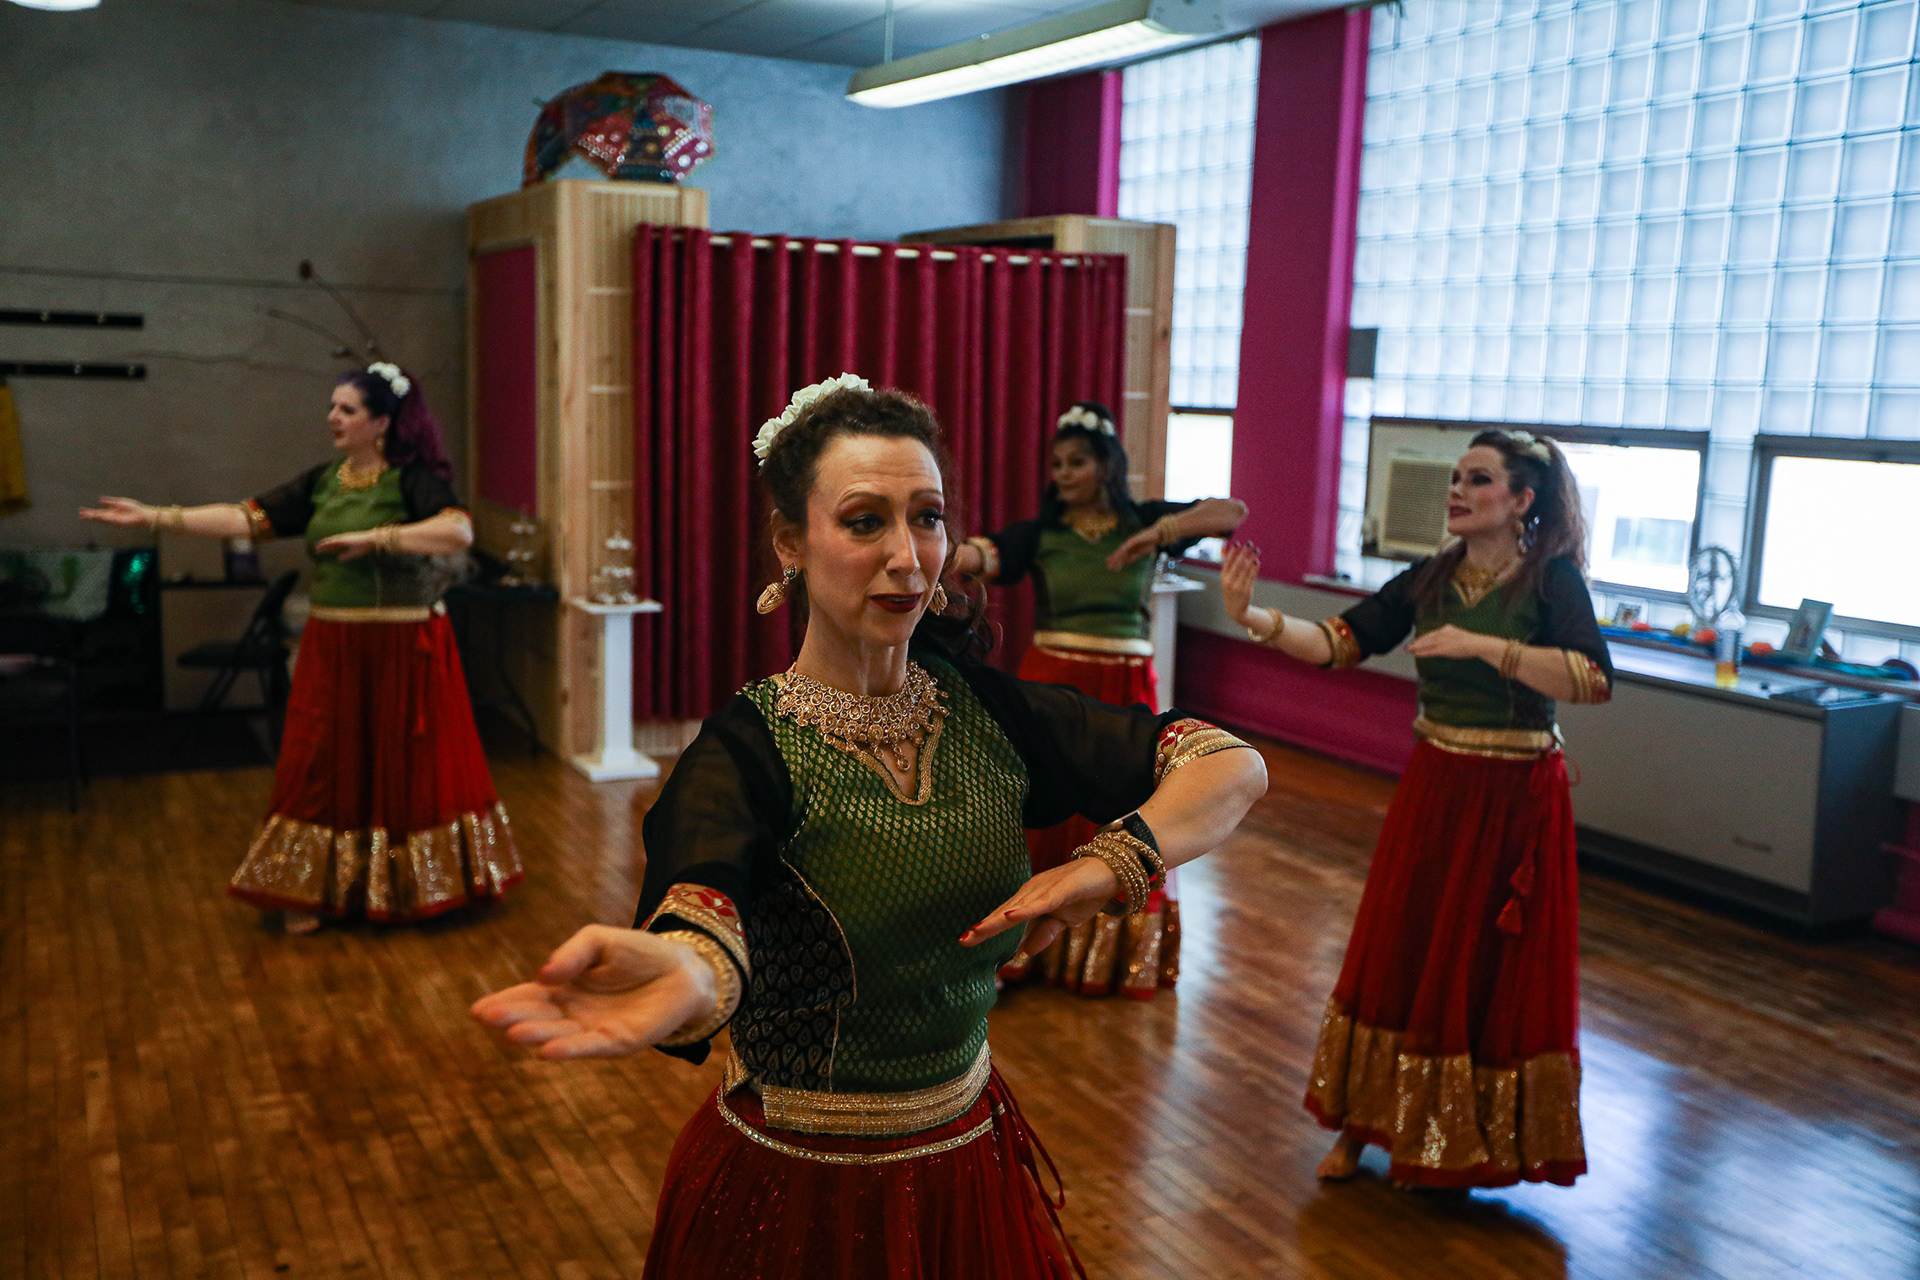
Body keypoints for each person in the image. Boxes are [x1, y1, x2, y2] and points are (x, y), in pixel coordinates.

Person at [472, 376, 1267, 1279]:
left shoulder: (986, 711)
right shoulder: (745, 749)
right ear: (789, 542)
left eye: (926, 518)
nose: (907, 556)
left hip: (966, 1164)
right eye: (863, 522)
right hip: (795, 1191)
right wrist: (692, 973)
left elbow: (1230, 763)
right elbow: (704, 898)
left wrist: (1112, 863)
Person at [1220, 428, 1609, 1190]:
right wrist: (1255, 618)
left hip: (1515, 798)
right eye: (1456, 478)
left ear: (1523, 500)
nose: (1458, 490)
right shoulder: (1429, 579)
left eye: (1479, 479)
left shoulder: (1553, 582)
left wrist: (1482, 647)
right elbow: (1339, 643)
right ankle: (1363, 1127)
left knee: (1485, 966)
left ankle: (1470, 1143)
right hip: (1438, 786)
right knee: (1403, 948)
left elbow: (1592, 680)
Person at [81, 364, 521, 932]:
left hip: (402, 645)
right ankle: (312, 889)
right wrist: (159, 517)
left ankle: (413, 890)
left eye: (347, 410)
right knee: (319, 760)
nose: (332, 418)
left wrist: (376, 538)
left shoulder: (412, 480)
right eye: (333, 407)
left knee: (403, 763)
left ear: (382, 423)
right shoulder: (323, 482)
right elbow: (246, 516)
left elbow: (458, 532)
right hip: (334, 642)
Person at [948, 401, 1248, 999]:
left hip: (1127, 684)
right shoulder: (1040, 533)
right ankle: (1021, 945)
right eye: (1056, 463)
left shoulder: (1143, 519)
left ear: (1106, 465)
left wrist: (1157, 534)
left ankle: (1105, 957)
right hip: (1056, 678)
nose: (1063, 473)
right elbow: (977, 556)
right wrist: (934, 548)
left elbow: (1232, 511)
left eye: (1077, 461)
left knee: (1130, 807)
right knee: (1043, 808)